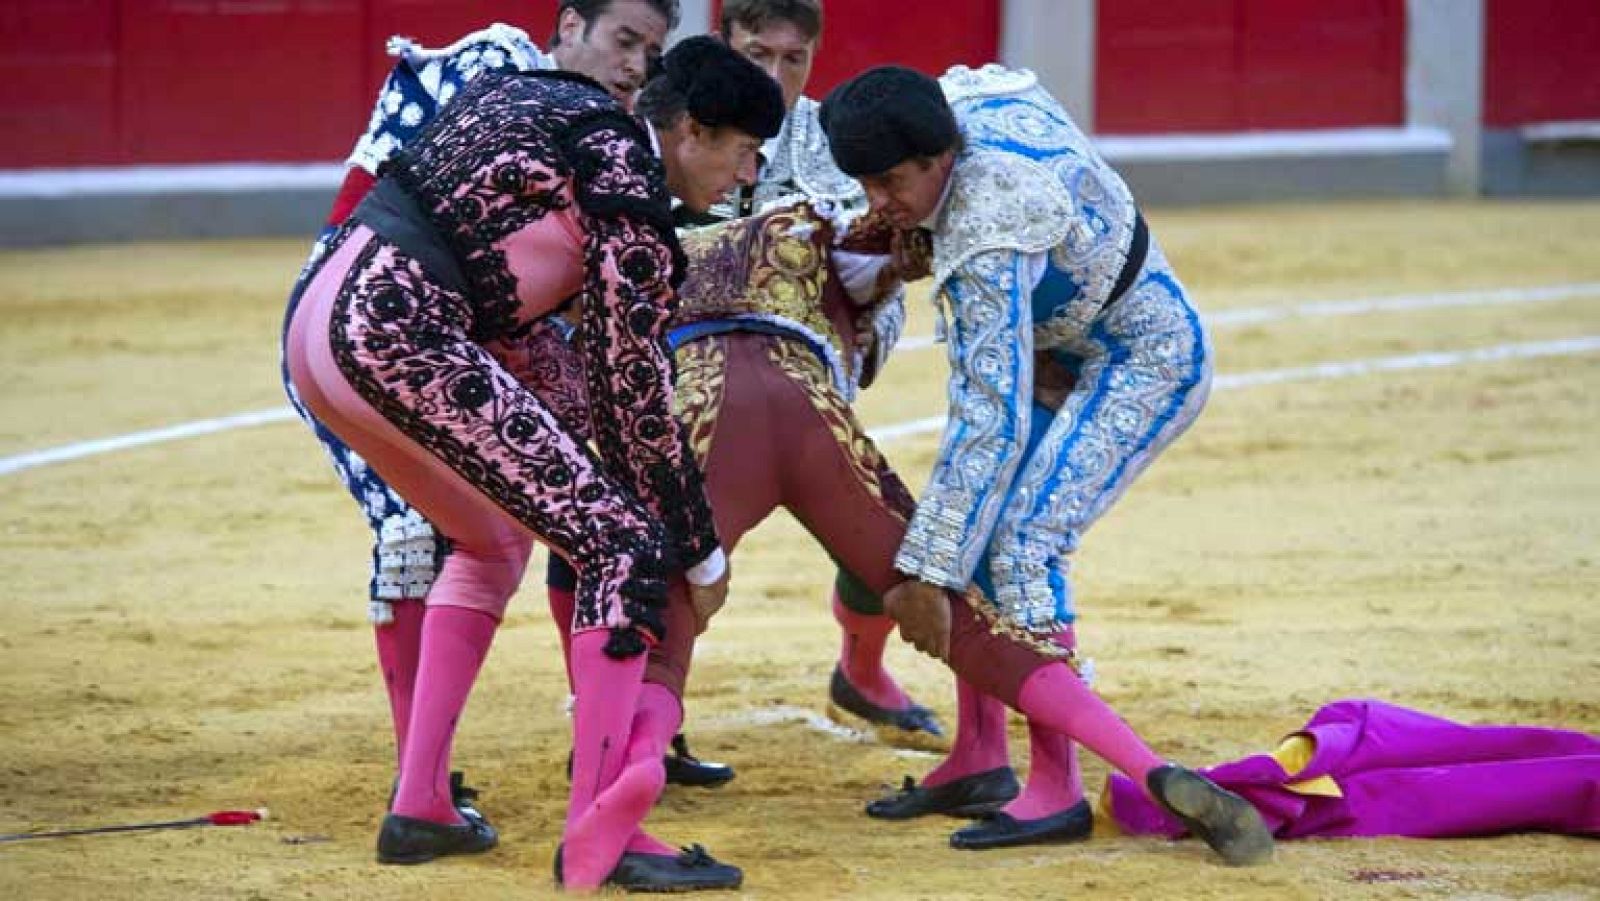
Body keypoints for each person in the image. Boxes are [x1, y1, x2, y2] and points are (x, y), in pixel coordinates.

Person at [283, 35, 784, 891]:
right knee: (620, 545)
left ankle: (423, 804)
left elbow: (565, 361)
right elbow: (633, 393)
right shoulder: (629, 182)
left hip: (321, 323)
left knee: (491, 542)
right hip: (401, 328)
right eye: (743, 154)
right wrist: (697, 546)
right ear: (693, 131)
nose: (744, 178)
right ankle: (603, 836)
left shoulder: (559, 107)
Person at [803, 64, 1276, 865]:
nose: (877, 200)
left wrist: (926, 570)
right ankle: (982, 757)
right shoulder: (961, 108)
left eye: (889, 181)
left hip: (1144, 354)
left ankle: (1054, 784)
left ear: (941, 155)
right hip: (1063, 345)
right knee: (975, 527)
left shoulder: (987, 225)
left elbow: (986, 417)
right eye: (864, 181)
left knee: (1019, 541)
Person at [541, 0, 947, 753]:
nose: (778, 77)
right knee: (602, 533)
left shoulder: (840, 143)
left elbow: (884, 284)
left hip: (800, 376)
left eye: (796, 60)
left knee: (882, 539)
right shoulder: (664, 124)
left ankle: (861, 670)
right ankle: (604, 709)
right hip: (659, 383)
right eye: (760, 54)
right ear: (722, 42)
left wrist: (840, 356)